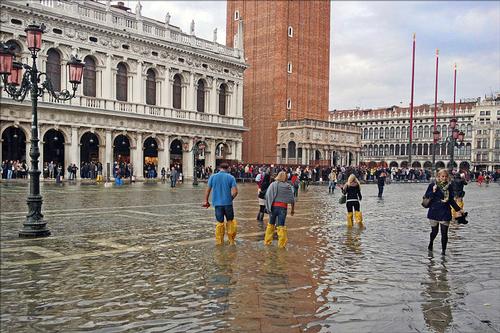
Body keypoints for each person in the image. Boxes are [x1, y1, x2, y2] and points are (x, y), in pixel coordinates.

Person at [423, 169, 464, 255]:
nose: (444, 178)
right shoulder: (432, 185)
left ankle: (443, 252)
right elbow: (427, 196)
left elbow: (451, 200)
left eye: (446, 176)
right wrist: (433, 192)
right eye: (442, 176)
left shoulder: (449, 187)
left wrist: (458, 209)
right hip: (434, 211)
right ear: (438, 177)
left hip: (445, 211)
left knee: (444, 233)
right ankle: (431, 243)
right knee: (434, 232)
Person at [204, 163, 238, 245]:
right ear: (228, 168)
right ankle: (231, 241)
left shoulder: (213, 177)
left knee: (220, 223)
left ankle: (219, 242)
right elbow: (235, 192)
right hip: (228, 204)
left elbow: (208, 190)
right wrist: (230, 198)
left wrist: (206, 201)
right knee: (230, 221)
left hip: (217, 204)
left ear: (219, 168)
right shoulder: (231, 177)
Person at [264, 171, 295, 248]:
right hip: (283, 209)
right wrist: (292, 210)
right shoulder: (288, 186)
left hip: (273, 208)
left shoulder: (272, 185)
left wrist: (268, 206)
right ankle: (281, 245)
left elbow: (267, 196)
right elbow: (292, 200)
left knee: (270, 225)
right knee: (281, 227)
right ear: (285, 177)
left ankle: (267, 242)